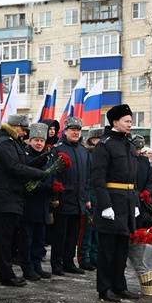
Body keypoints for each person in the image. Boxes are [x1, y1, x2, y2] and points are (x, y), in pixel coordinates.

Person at [0, 114, 48, 287]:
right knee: (5, 239)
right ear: (15, 127)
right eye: (24, 129)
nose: (25, 133)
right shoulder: (5, 143)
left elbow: (20, 166)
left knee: (7, 237)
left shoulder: (12, 143)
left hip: (10, 197)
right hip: (4, 198)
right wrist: (40, 174)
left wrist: (39, 162)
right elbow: (14, 168)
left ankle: (5, 271)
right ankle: (6, 275)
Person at [91, 105, 141, 302]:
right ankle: (105, 288)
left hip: (127, 202)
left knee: (121, 249)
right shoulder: (105, 145)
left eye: (130, 121)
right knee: (107, 250)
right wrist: (105, 205)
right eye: (127, 121)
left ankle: (120, 286)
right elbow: (98, 178)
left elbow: (133, 177)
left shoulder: (128, 144)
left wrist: (135, 202)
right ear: (115, 122)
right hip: (112, 202)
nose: (130, 124)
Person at [50, 117, 91, 276]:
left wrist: (86, 197)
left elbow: (87, 176)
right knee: (60, 234)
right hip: (63, 198)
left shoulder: (83, 151)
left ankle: (69, 262)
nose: (75, 132)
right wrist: (55, 196)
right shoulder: (57, 149)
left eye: (78, 130)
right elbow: (54, 175)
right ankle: (56, 263)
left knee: (73, 233)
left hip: (78, 199)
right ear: (65, 131)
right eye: (72, 130)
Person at [20, 122, 53, 280]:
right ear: (30, 141)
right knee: (27, 238)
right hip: (29, 203)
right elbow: (25, 180)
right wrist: (44, 186)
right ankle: (27, 267)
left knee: (40, 238)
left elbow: (52, 175)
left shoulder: (47, 156)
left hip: (43, 203)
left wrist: (53, 188)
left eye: (42, 140)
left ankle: (37, 265)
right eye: (36, 140)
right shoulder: (25, 156)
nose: (39, 143)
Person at [78, 128, 103, 271]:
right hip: (90, 196)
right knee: (87, 230)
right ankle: (85, 257)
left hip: (99, 197)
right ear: (93, 140)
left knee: (97, 230)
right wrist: (87, 197)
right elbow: (86, 178)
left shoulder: (102, 155)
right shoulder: (88, 155)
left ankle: (94, 256)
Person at [132, 134, 152, 228]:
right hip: (133, 197)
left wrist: (147, 191)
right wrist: (137, 194)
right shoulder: (129, 159)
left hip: (144, 200)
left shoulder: (144, 161)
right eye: (136, 149)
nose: (138, 151)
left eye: (139, 149)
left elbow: (151, 179)